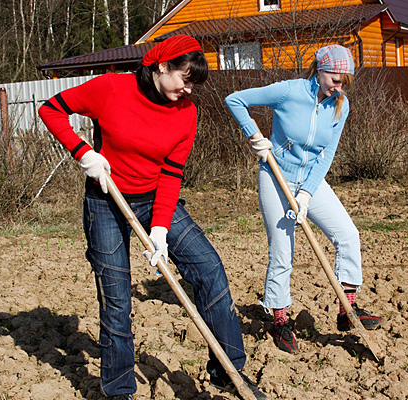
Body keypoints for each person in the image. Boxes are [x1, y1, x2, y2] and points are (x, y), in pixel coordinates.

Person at [39, 35, 266, 400]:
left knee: (208, 268)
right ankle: (119, 390)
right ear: (161, 66)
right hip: (106, 201)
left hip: (155, 200)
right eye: (184, 78)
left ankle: (228, 372)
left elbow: (172, 174)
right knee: (116, 297)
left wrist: (160, 228)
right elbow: (51, 108)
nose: (188, 89)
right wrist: (83, 153)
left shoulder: (186, 113)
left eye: (194, 83)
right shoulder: (112, 88)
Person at [225, 44, 383, 354]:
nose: (339, 88)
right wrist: (256, 137)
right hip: (276, 177)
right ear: (320, 70)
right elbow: (235, 100)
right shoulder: (289, 91)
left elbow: (327, 154)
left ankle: (347, 309)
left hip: (310, 181)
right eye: (335, 81)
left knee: (348, 234)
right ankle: (280, 320)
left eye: (344, 83)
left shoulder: (341, 105)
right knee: (283, 250)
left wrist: (308, 193)